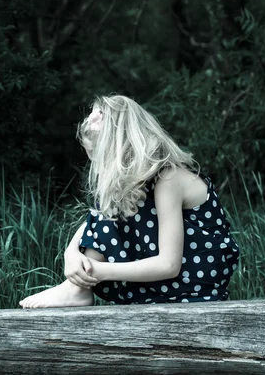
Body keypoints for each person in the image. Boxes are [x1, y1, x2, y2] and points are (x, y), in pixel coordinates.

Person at [19, 95, 240, 309]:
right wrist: (71, 253)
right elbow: (97, 219)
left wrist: (98, 271)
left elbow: (169, 265)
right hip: (167, 285)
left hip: (194, 284)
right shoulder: (138, 185)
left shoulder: (168, 179)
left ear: (122, 150)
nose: (98, 165)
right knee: (112, 205)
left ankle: (77, 289)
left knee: (113, 209)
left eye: (100, 157)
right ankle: (75, 289)